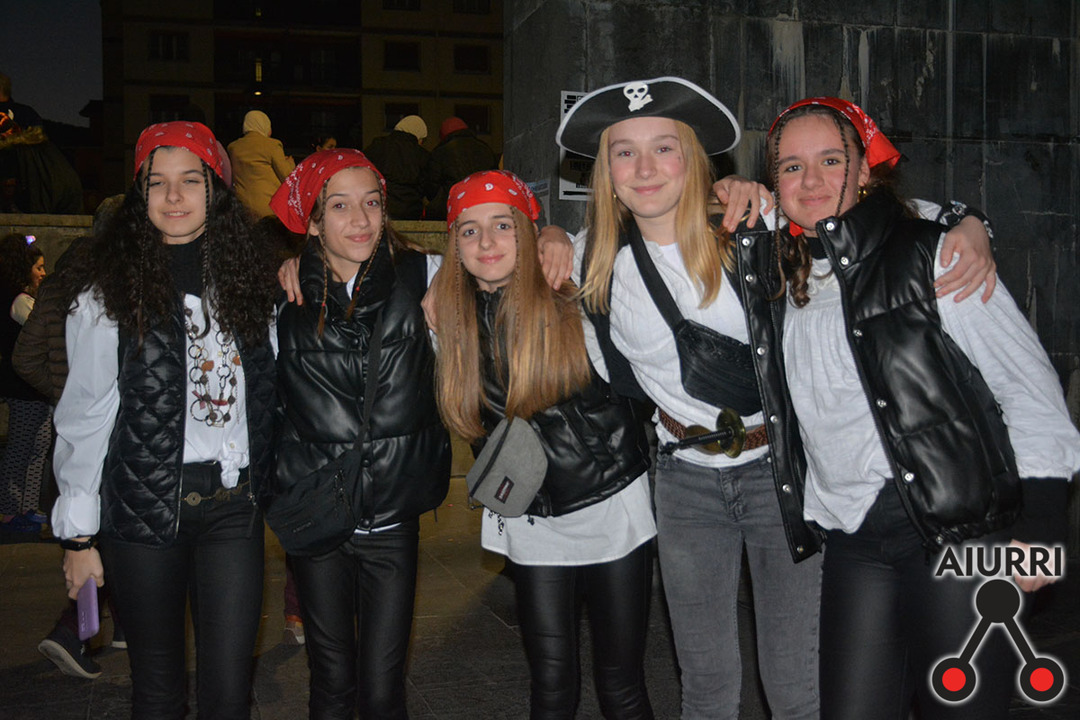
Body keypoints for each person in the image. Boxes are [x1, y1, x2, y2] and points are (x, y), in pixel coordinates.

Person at [553, 77, 997, 719]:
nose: (644, 168)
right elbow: (497, 254)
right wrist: (543, 237)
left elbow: (871, 215)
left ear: (693, 159)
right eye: (625, 152)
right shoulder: (588, 260)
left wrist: (967, 221)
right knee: (705, 685)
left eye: (664, 148)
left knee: (795, 687)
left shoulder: (754, 224)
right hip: (684, 481)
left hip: (780, 474)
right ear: (605, 172)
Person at [746, 96, 1080, 719]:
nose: (810, 180)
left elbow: (1030, 389)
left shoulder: (936, 254)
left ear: (865, 170)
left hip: (963, 528)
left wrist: (1042, 527)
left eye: (830, 160)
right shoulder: (776, 275)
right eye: (791, 167)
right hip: (853, 535)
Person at [53, 120, 278, 719]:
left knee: (229, 694)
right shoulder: (108, 293)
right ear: (140, 194)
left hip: (233, 508)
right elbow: (85, 415)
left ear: (216, 190)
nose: (174, 196)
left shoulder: (252, 285)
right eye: (157, 182)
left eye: (190, 181)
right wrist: (79, 537)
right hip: (143, 510)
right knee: (157, 693)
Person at [430, 170, 657, 719]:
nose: (486, 242)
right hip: (532, 514)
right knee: (550, 683)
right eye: (469, 231)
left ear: (527, 231)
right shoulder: (449, 318)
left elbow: (627, 228)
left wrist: (556, 232)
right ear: (454, 246)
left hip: (610, 504)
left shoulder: (571, 285)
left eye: (503, 225)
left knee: (621, 685)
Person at [267, 149, 451, 719]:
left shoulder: (426, 276)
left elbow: (502, 259)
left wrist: (552, 238)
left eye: (371, 203)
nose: (361, 220)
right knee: (330, 680)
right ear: (313, 223)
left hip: (392, 518)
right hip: (319, 515)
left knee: (382, 686)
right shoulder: (284, 301)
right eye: (340, 206)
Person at [1, 234, 51, 532]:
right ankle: (10, 510)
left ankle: (27, 506)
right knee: (22, 446)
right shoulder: (20, 301)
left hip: (32, 388)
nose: (43, 273)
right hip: (24, 387)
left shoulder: (24, 299)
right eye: (39, 267)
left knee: (37, 445)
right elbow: (41, 332)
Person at [423, 116, 498, 220]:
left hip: (451, 208)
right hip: (482, 205)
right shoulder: (485, 149)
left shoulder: (440, 152)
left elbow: (431, 187)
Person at [227, 109, 295, 217]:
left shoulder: (233, 148)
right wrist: (290, 163)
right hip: (268, 209)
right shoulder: (272, 145)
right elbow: (287, 176)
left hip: (242, 209)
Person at [364, 114, 431, 220]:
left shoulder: (378, 145)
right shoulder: (422, 155)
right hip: (410, 211)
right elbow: (427, 186)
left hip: (380, 207)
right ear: (418, 136)